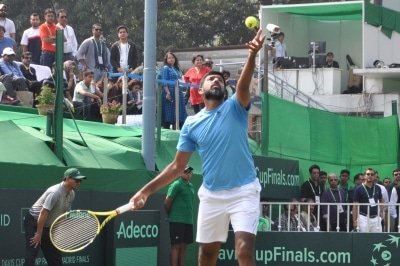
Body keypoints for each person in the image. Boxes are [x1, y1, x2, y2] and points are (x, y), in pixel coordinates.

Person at [130, 30, 265, 266]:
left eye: (221, 80)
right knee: (206, 256)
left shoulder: (235, 107)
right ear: (199, 91)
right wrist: (146, 191)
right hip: (212, 195)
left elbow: (243, 85)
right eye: (211, 79)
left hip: (244, 191)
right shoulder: (191, 124)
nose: (217, 80)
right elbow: (177, 166)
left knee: (244, 249)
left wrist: (252, 55)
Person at [24, 168, 86, 266]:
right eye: (76, 180)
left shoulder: (72, 194)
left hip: (48, 225)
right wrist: (38, 234)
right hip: (34, 222)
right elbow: (43, 213)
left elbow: (62, 215)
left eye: (80, 181)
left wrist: (57, 232)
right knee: (32, 252)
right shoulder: (55, 192)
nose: (79, 183)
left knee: (55, 259)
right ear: (67, 179)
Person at [164, 166, 195, 266]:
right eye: (185, 171)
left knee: (183, 247)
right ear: (180, 173)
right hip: (177, 220)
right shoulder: (176, 185)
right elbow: (167, 203)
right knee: (176, 246)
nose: (188, 173)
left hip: (188, 221)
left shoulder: (191, 186)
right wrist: (172, 215)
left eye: (189, 172)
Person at [160, 51, 187, 129]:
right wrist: (167, 92)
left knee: (179, 114)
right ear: (166, 60)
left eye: (172, 57)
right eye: (169, 58)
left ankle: (177, 130)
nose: (171, 59)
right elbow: (164, 81)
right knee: (168, 114)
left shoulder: (176, 69)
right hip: (170, 92)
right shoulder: (166, 68)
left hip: (178, 92)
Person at [353, 168, 383, 232]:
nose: (370, 176)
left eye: (372, 174)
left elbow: (381, 200)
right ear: (364, 176)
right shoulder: (359, 189)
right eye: (368, 174)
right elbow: (355, 205)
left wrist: (382, 213)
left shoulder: (378, 188)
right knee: (364, 238)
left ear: (375, 176)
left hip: (376, 217)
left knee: (377, 238)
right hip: (363, 217)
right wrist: (354, 221)